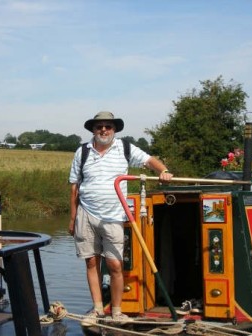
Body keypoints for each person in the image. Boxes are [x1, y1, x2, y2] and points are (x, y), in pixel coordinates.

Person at [68, 111, 173, 326]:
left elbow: (149, 160)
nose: (104, 130)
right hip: (86, 214)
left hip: (114, 215)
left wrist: (163, 171)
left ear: (114, 130)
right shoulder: (83, 152)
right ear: (93, 130)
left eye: (108, 126)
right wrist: (72, 219)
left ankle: (116, 311)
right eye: (99, 127)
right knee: (91, 262)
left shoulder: (124, 148)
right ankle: (97, 310)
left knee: (115, 264)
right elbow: (74, 187)